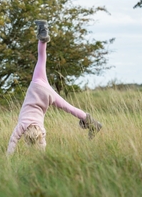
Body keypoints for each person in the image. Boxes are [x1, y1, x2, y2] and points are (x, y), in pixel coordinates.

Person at [6, 20, 102, 154]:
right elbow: (13, 140)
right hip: (37, 86)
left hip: (48, 96)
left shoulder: (41, 129)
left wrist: (41, 155)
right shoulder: (22, 126)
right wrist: (8, 156)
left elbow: (42, 145)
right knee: (41, 59)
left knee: (69, 108)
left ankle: (94, 124)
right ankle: (43, 38)